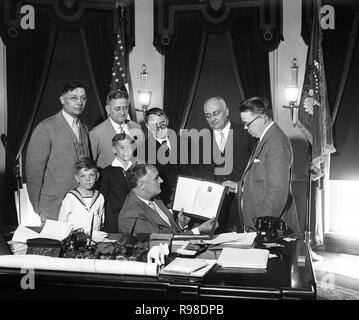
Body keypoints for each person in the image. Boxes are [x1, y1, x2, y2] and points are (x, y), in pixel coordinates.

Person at [223, 96, 300, 233]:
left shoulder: (276, 142)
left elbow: (276, 193)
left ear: (262, 119)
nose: (245, 128)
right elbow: (261, 181)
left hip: (270, 229)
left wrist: (261, 229)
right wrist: (238, 187)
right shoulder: (265, 138)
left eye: (248, 124)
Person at [26, 81, 91, 223]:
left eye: (83, 98)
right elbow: (34, 173)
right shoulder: (45, 128)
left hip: (79, 207)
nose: (80, 102)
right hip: (52, 208)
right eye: (73, 98)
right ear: (62, 100)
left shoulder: (84, 128)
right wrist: (38, 208)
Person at [190, 97, 253, 232]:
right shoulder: (200, 141)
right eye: (208, 115)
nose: (212, 119)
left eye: (216, 113)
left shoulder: (247, 133)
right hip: (215, 211)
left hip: (243, 205)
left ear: (227, 112)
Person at [118, 163, 217, 234]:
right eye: (156, 178)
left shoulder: (154, 198)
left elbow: (169, 231)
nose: (161, 180)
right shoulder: (130, 216)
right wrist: (199, 230)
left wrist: (181, 225)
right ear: (141, 185)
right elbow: (164, 243)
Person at [138, 108, 185, 207]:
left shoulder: (185, 142)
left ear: (167, 121)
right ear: (147, 126)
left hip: (187, 197)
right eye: (153, 125)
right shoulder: (143, 150)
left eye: (161, 123)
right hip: (163, 202)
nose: (159, 127)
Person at [90, 90, 142, 169]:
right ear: (108, 109)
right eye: (117, 109)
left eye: (125, 108)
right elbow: (91, 165)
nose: (122, 112)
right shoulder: (96, 133)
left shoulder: (136, 127)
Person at [58, 158, 104, 234]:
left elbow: (101, 221)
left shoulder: (100, 197)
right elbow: (62, 222)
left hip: (94, 241)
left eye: (91, 175)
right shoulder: (71, 197)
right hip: (74, 240)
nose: (88, 179)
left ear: (97, 176)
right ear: (77, 178)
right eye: (83, 176)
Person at [99, 133, 134, 233]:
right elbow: (102, 200)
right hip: (115, 222)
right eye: (122, 147)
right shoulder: (107, 172)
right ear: (114, 149)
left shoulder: (137, 170)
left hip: (136, 219)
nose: (126, 151)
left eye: (129, 147)